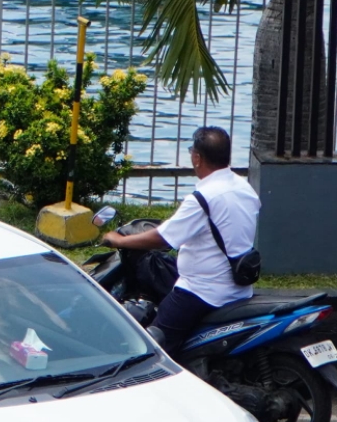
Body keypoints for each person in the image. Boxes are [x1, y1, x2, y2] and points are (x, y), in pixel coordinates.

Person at [105, 126, 258, 358]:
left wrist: (119, 240)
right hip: (239, 288)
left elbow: (162, 238)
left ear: (197, 158)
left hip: (203, 291)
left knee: (155, 348)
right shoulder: (244, 188)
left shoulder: (202, 198)